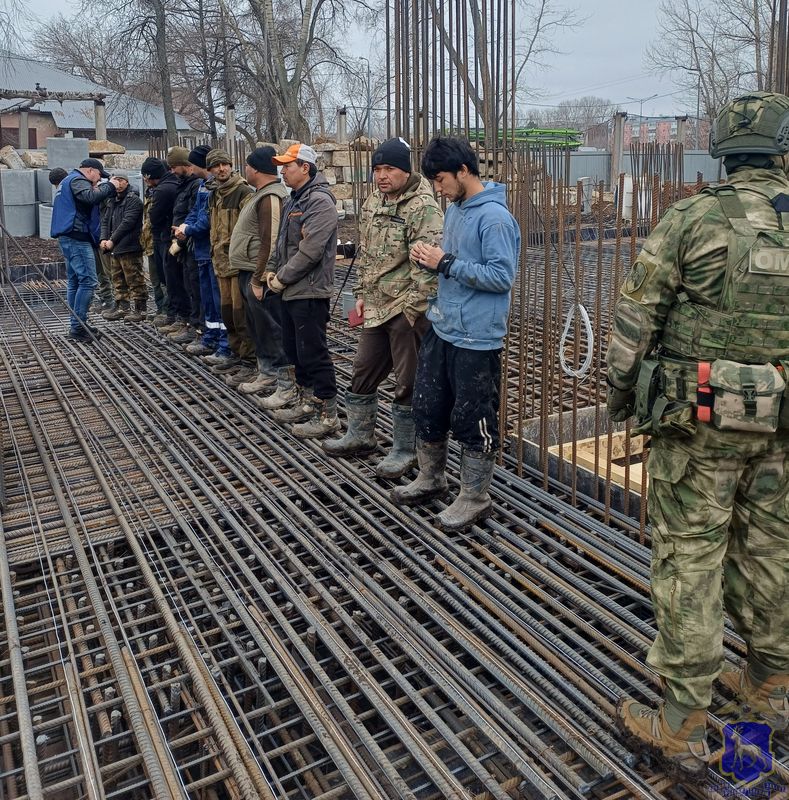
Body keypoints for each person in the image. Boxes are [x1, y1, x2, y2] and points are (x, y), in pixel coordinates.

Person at [607, 91, 789, 776]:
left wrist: (621, 397)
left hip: (699, 427)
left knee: (690, 562)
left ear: (722, 149)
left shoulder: (693, 218)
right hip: (780, 430)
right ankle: (770, 689)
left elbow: (634, 321)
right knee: (772, 552)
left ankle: (679, 726)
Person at [391, 135, 520, 531]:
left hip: (477, 338)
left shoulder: (494, 218)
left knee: (473, 417)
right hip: (444, 327)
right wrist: (433, 262)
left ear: (464, 171)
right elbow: (456, 265)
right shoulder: (456, 210)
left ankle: (475, 496)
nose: (437, 188)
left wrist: (445, 262)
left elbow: (502, 277)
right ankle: (431, 477)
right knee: (428, 406)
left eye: (441, 179)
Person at [323, 137, 443, 478]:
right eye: (377, 169)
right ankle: (360, 434)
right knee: (363, 369)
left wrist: (412, 310)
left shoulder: (423, 207)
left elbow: (428, 267)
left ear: (405, 170)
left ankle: (406, 449)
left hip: (406, 309)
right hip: (376, 305)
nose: (381, 176)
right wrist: (360, 292)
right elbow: (367, 253)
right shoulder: (375, 201)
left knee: (408, 381)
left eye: (389, 168)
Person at [258, 143, 339, 439]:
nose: (283, 172)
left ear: (305, 167)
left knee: (314, 353)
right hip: (292, 289)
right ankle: (306, 404)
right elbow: (285, 244)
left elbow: (310, 250)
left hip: (310, 291)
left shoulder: (319, 201)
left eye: (288, 166)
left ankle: (327, 414)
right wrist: (274, 270)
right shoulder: (295, 199)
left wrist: (282, 277)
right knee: (295, 350)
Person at [228, 146, 290, 393]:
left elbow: (271, 240)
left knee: (269, 325)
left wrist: (260, 277)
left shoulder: (270, 197)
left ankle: (274, 373)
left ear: (255, 169)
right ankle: (265, 369)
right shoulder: (260, 193)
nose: (245, 169)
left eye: (247, 165)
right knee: (257, 325)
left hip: (259, 273)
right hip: (249, 270)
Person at [50, 157, 119, 341]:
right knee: (88, 281)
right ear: (89, 171)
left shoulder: (66, 182)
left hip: (68, 238)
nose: (98, 180)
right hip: (76, 238)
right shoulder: (77, 179)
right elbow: (90, 197)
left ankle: (76, 325)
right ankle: (79, 327)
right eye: (98, 176)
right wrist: (110, 186)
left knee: (75, 282)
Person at [174, 145, 232, 362]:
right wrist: (184, 226)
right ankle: (211, 337)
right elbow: (195, 212)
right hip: (201, 251)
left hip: (212, 251)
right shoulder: (204, 187)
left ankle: (225, 344)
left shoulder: (217, 189)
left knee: (219, 300)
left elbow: (207, 220)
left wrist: (188, 230)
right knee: (207, 298)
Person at [205, 148, 255, 376]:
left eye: (224, 164)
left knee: (241, 314)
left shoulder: (243, 192)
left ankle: (249, 361)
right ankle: (236, 354)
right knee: (227, 314)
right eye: (216, 166)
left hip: (238, 265)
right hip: (221, 263)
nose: (221, 169)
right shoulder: (214, 194)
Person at [98, 170, 147, 322]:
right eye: (115, 180)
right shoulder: (112, 200)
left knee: (134, 279)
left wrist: (112, 240)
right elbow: (105, 221)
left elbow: (127, 223)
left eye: (121, 180)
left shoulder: (133, 200)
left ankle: (140, 309)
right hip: (115, 247)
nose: (118, 183)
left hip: (130, 246)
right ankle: (122, 307)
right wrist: (103, 238)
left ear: (127, 182)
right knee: (117, 279)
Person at [168, 146, 203, 343]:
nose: (172, 171)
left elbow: (196, 215)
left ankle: (198, 328)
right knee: (188, 285)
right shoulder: (184, 184)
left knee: (195, 289)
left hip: (192, 244)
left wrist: (185, 232)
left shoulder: (196, 185)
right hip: (184, 241)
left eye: (174, 167)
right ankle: (192, 324)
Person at [140, 157, 170, 320]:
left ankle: (167, 311)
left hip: (160, 242)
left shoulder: (162, 192)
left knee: (164, 280)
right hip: (150, 243)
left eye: (147, 176)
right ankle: (160, 309)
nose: (145, 179)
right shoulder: (150, 193)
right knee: (155, 279)